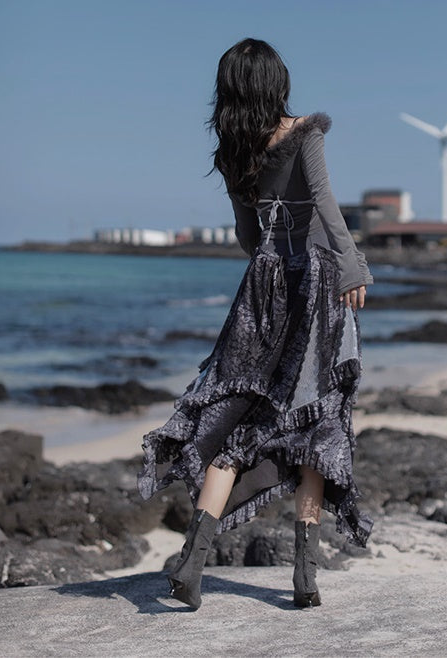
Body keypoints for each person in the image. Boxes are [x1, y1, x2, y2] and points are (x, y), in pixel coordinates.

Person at [137, 37, 375, 610]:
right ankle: (304, 577)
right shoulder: (304, 133)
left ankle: (192, 565)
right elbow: (323, 201)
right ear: (276, 82)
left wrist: (270, 272)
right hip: (318, 288)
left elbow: (248, 235)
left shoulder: (231, 150)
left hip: (262, 289)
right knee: (317, 423)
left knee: (236, 416)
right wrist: (351, 264)